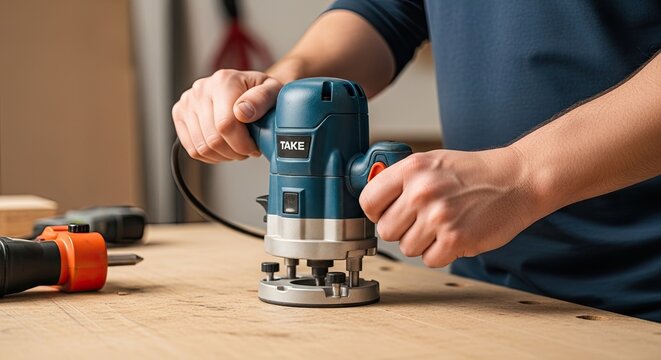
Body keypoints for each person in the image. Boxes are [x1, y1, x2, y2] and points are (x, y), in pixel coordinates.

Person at [171, 1, 661, 322]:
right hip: (489, 297)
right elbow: (386, 11)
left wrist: (522, 175)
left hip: (642, 300)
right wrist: (282, 89)